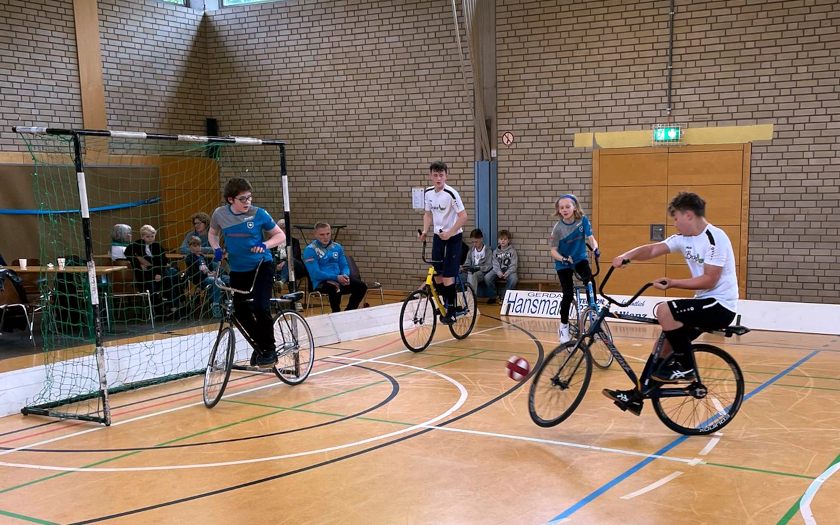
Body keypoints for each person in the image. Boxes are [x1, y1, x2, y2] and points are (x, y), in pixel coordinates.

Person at [602, 192, 738, 416]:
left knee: (664, 310)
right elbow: (653, 249)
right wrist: (627, 256)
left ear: (688, 215)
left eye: (675, 218)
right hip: (703, 303)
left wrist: (673, 283)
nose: (673, 223)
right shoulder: (683, 239)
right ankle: (637, 396)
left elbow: (710, 279)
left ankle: (685, 368)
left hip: (720, 306)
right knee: (662, 348)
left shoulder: (716, 238)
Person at [209, 178, 285, 368]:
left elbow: (280, 235)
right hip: (238, 269)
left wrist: (264, 245)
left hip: (261, 266)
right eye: (243, 199)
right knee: (240, 310)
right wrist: (216, 247)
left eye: (249, 198)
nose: (247, 202)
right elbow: (212, 233)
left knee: (260, 307)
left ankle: (269, 349)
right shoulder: (219, 214)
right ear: (230, 200)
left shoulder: (259, 214)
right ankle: (259, 345)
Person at [418, 161, 468, 325]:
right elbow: (427, 214)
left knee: (447, 276)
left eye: (441, 175)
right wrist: (425, 231)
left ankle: (452, 310)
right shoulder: (428, 193)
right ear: (430, 176)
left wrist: (451, 232)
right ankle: (444, 303)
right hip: (438, 236)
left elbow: (463, 217)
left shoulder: (451, 193)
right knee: (437, 275)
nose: (438, 178)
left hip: (454, 237)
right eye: (435, 175)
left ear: (446, 176)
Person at [550, 194, 599, 344]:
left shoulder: (582, 221)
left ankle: (594, 316)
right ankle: (563, 326)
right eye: (561, 207)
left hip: (579, 259)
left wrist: (595, 248)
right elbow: (553, 251)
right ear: (558, 210)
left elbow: (591, 238)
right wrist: (563, 259)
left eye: (567, 207)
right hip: (563, 263)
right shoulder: (557, 228)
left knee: (590, 283)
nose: (564, 210)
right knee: (567, 293)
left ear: (574, 207)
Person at [303, 222, 367, 313]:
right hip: (321, 281)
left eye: (328, 234)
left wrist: (345, 275)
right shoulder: (310, 250)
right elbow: (315, 273)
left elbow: (344, 265)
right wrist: (336, 277)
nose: (325, 237)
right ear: (315, 234)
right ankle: (336, 313)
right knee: (335, 287)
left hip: (339, 278)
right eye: (322, 234)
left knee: (361, 286)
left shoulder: (337, 247)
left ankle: (349, 311)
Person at [124, 224, 183, 315]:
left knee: (168, 279)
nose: (150, 239)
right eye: (147, 237)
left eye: (152, 236)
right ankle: (157, 308)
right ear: (142, 236)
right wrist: (138, 260)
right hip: (146, 273)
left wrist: (158, 273)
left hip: (158, 270)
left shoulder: (157, 246)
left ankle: (173, 306)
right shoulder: (136, 245)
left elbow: (163, 261)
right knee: (151, 286)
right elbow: (127, 253)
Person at [184, 236, 225, 318]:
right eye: (194, 246)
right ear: (189, 247)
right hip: (201, 279)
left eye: (199, 245)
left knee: (227, 279)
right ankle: (215, 305)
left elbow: (210, 268)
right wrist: (209, 275)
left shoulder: (203, 257)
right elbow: (196, 274)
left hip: (210, 277)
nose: (197, 248)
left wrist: (213, 272)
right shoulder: (190, 258)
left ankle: (227, 302)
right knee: (217, 282)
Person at [461, 229, 494, 302]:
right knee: (458, 276)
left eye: (476, 242)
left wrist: (478, 268)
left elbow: (489, 265)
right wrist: (463, 267)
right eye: (472, 242)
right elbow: (467, 263)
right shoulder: (471, 251)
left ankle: (471, 299)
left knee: (472, 275)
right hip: (471, 271)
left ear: (481, 239)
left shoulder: (487, 250)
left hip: (482, 272)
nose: (474, 244)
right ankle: (456, 299)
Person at [487, 230, 519, 304]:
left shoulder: (513, 251)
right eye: (501, 239)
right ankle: (493, 296)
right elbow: (494, 263)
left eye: (505, 239)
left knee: (514, 279)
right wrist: (498, 272)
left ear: (508, 240)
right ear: (498, 240)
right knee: (487, 277)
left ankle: (504, 298)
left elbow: (514, 264)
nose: (503, 241)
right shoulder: (495, 252)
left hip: (509, 271)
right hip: (498, 271)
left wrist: (508, 272)